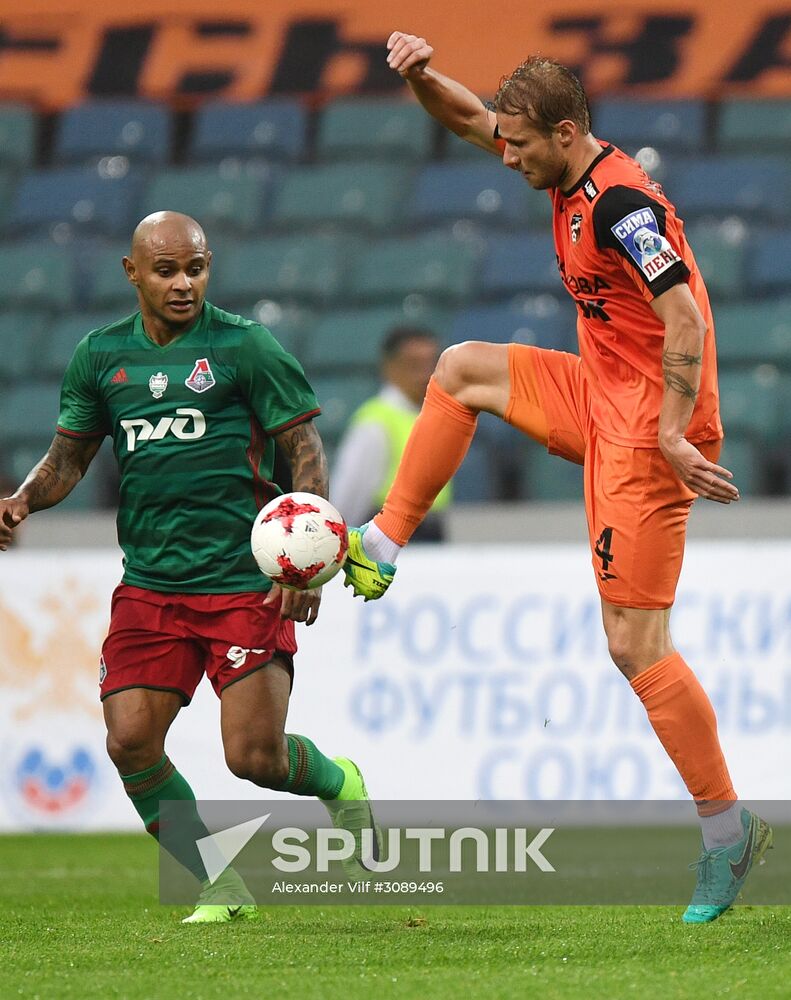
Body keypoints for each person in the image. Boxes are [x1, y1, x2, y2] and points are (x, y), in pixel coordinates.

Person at [342, 32, 771, 923]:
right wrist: (422, 78)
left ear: (567, 131)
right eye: (504, 139)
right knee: (460, 367)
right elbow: (465, 117)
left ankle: (727, 838)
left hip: (652, 430)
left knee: (632, 646)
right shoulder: (558, 170)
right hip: (601, 392)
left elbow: (685, 315)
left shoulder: (620, 207)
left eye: (519, 143)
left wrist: (670, 433)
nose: (504, 153)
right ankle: (381, 540)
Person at [0, 211, 377, 924]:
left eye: (196, 268)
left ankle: (338, 781)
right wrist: (21, 501)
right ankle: (220, 886)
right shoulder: (100, 356)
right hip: (150, 584)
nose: (184, 283)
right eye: (167, 270)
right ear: (131, 271)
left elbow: (304, 452)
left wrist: (308, 563)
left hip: (243, 582)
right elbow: (68, 458)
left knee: (255, 758)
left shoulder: (244, 347)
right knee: (130, 740)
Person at [331, 326, 450, 540]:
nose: (425, 374)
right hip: (388, 538)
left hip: (431, 533)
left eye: (430, 364)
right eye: (414, 365)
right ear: (390, 367)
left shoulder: (436, 416)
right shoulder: (375, 421)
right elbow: (351, 490)